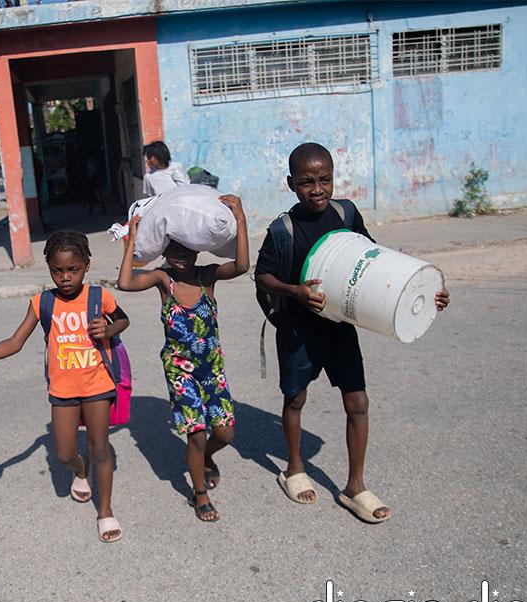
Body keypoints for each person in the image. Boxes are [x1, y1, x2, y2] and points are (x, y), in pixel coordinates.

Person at [254, 142, 450, 524]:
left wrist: (425, 294)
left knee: (358, 403)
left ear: (333, 178)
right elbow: (262, 276)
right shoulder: (283, 230)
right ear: (291, 183)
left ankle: (354, 486)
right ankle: (294, 468)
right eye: (307, 182)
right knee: (295, 400)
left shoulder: (346, 213)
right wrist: (294, 291)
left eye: (325, 180)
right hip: (299, 328)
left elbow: (372, 259)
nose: (318, 189)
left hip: (340, 326)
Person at [0, 231, 130, 543]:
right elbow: (16, 341)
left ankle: (105, 510)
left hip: (97, 384)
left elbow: (123, 321)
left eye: (73, 270)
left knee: (100, 447)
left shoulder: (98, 297)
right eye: (58, 270)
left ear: (86, 266)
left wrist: (107, 329)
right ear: (49, 268)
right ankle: (80, 470)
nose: (66, 277)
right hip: (63, 391)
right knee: (65, 452)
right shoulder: (43, 302)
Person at [117, 195, 249, 522]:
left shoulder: (208, 277)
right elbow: (125, 282)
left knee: (225, 435)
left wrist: (240, 218)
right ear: (163, 250)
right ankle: (199, 491)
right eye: (171, 248)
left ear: (198, 247)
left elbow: (243, 266)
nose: (178, 255)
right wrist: (132, 239)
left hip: (212, 370)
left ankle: (205, 459)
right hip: (180, 371)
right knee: (197, 434)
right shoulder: (165, 281)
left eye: (185, 247)